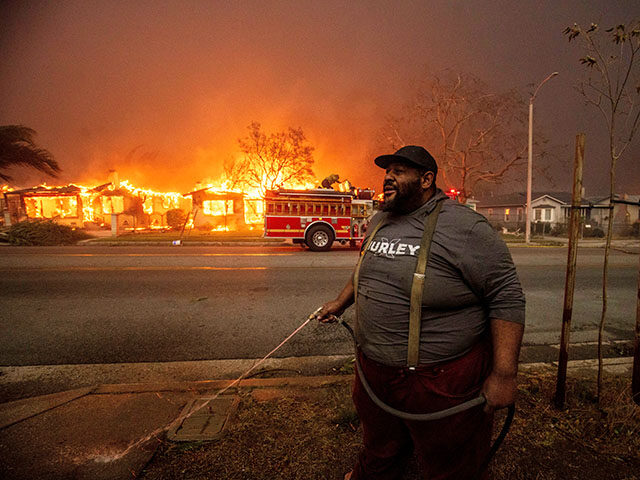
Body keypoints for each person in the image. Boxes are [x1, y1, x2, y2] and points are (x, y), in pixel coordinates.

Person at [316, 145, 525, 480]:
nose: (388, 178)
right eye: (387, 172)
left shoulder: (466, 228)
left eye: (399, 171)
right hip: (374, 375)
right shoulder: (380, 220)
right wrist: (341, 302)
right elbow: (365, 270)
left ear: (427, 179)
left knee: (448, 462)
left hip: (439, 382)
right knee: (380, 447)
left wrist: (504, 375)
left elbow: (507, 296)